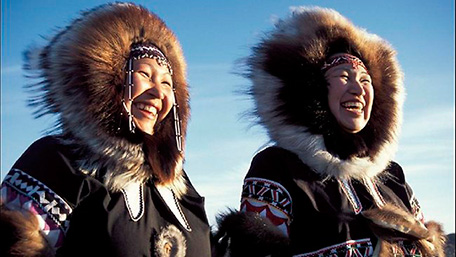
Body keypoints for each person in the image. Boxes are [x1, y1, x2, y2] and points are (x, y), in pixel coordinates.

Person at [212, 6, 446, 257]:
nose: (358, 89)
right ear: (314, 91)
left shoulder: (393, 176)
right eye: (344, 76)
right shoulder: (278, 167)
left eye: (366, 81)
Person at [0, 3, 211, 257]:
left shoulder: (180, 186)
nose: (158, 92)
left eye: (167, 82)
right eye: (145, 74)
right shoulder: (58, 160)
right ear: (106, 81)